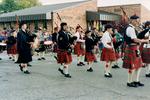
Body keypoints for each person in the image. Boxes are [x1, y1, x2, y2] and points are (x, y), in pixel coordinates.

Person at [123, 15, 149, 87]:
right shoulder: (130, 28)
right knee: (132, 66)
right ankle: (129, 81)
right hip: (131, 48)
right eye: (137, 20)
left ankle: (136, 80)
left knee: (139, 65)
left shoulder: (133, 28)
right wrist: (145, 40)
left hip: (135, 48)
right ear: (132, 20)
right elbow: (134, 39)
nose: (138, 22)